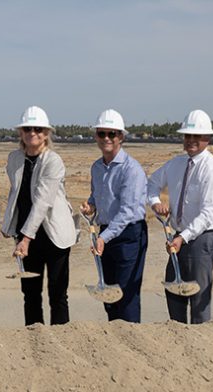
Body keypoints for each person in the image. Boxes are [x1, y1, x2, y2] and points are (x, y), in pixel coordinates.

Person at [146, 109, 213, 324]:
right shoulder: (176, 164)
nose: (191, 140)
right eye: (188, 136)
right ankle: (178, 340)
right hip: (179, 236)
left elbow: (209, 213)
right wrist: (156, 203)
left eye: (197, 136)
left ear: (207, 138)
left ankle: (200, 345)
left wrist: (184, 237)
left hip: (202, 239)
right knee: (174, 291)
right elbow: (152, 183)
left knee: (198, 298)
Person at [1, 105, 77, 326]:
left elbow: (43, 201)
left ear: (46, 134)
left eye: (38, 129)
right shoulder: (14, 159)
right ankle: (35, 341)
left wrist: (25, 239)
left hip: (54, 235)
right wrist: (11, 227)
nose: (32, 133)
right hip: (27, 234)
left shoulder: (53, 161)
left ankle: (63, 340)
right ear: (21, 133)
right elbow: (16, 194)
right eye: (27, 129)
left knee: (57, 294)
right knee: (30, 293)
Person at [80, 109, 148, 323]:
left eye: (112, 134)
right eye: (102, 134)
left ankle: (132, 341)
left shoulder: (131, 170)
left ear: (121, 137)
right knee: (109, 294)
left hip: (129, 235)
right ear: (96, 137)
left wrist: (103, 238)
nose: (107, 138)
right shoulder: (97, 168)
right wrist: (91, 205)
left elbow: (127, 211)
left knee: (126, 296)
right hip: (106, 233)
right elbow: (98, 194)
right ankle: (116, 342)